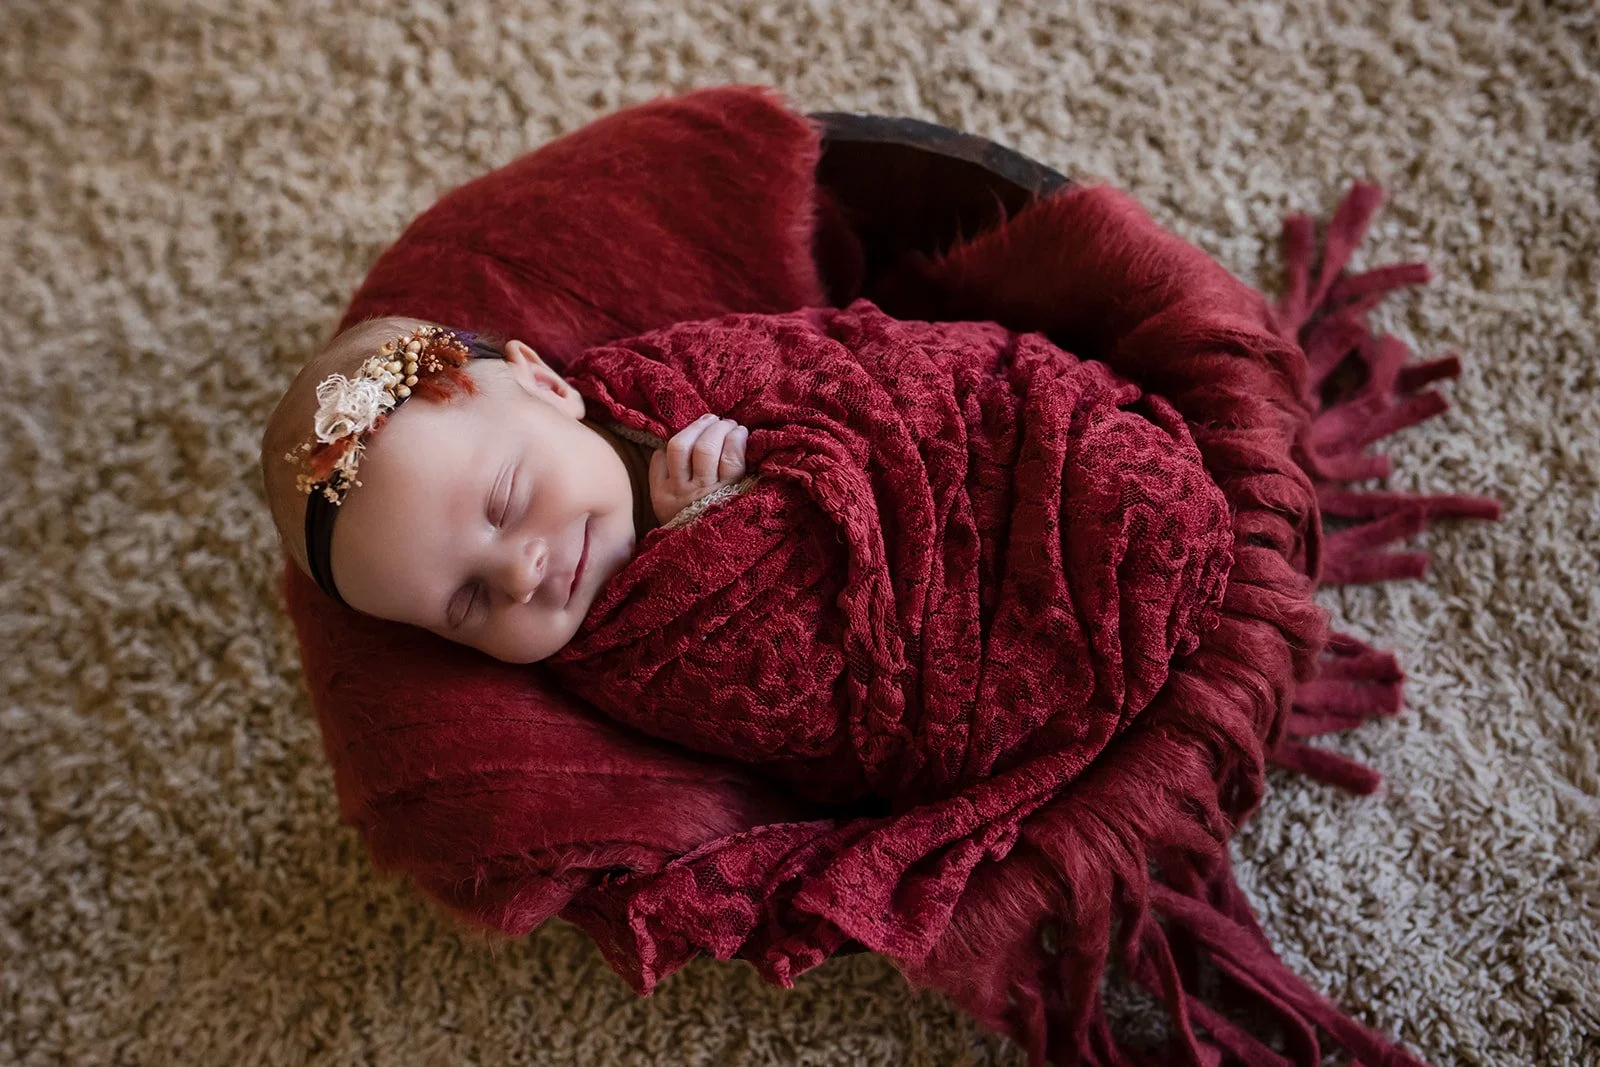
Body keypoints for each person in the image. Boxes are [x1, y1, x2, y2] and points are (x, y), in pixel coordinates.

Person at [259, 315, 752, 665]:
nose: (519, 577)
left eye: (507, 503)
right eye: (467, 603)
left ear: (547, 386)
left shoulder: (672, 381)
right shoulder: (607, 671)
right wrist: (705, 532)